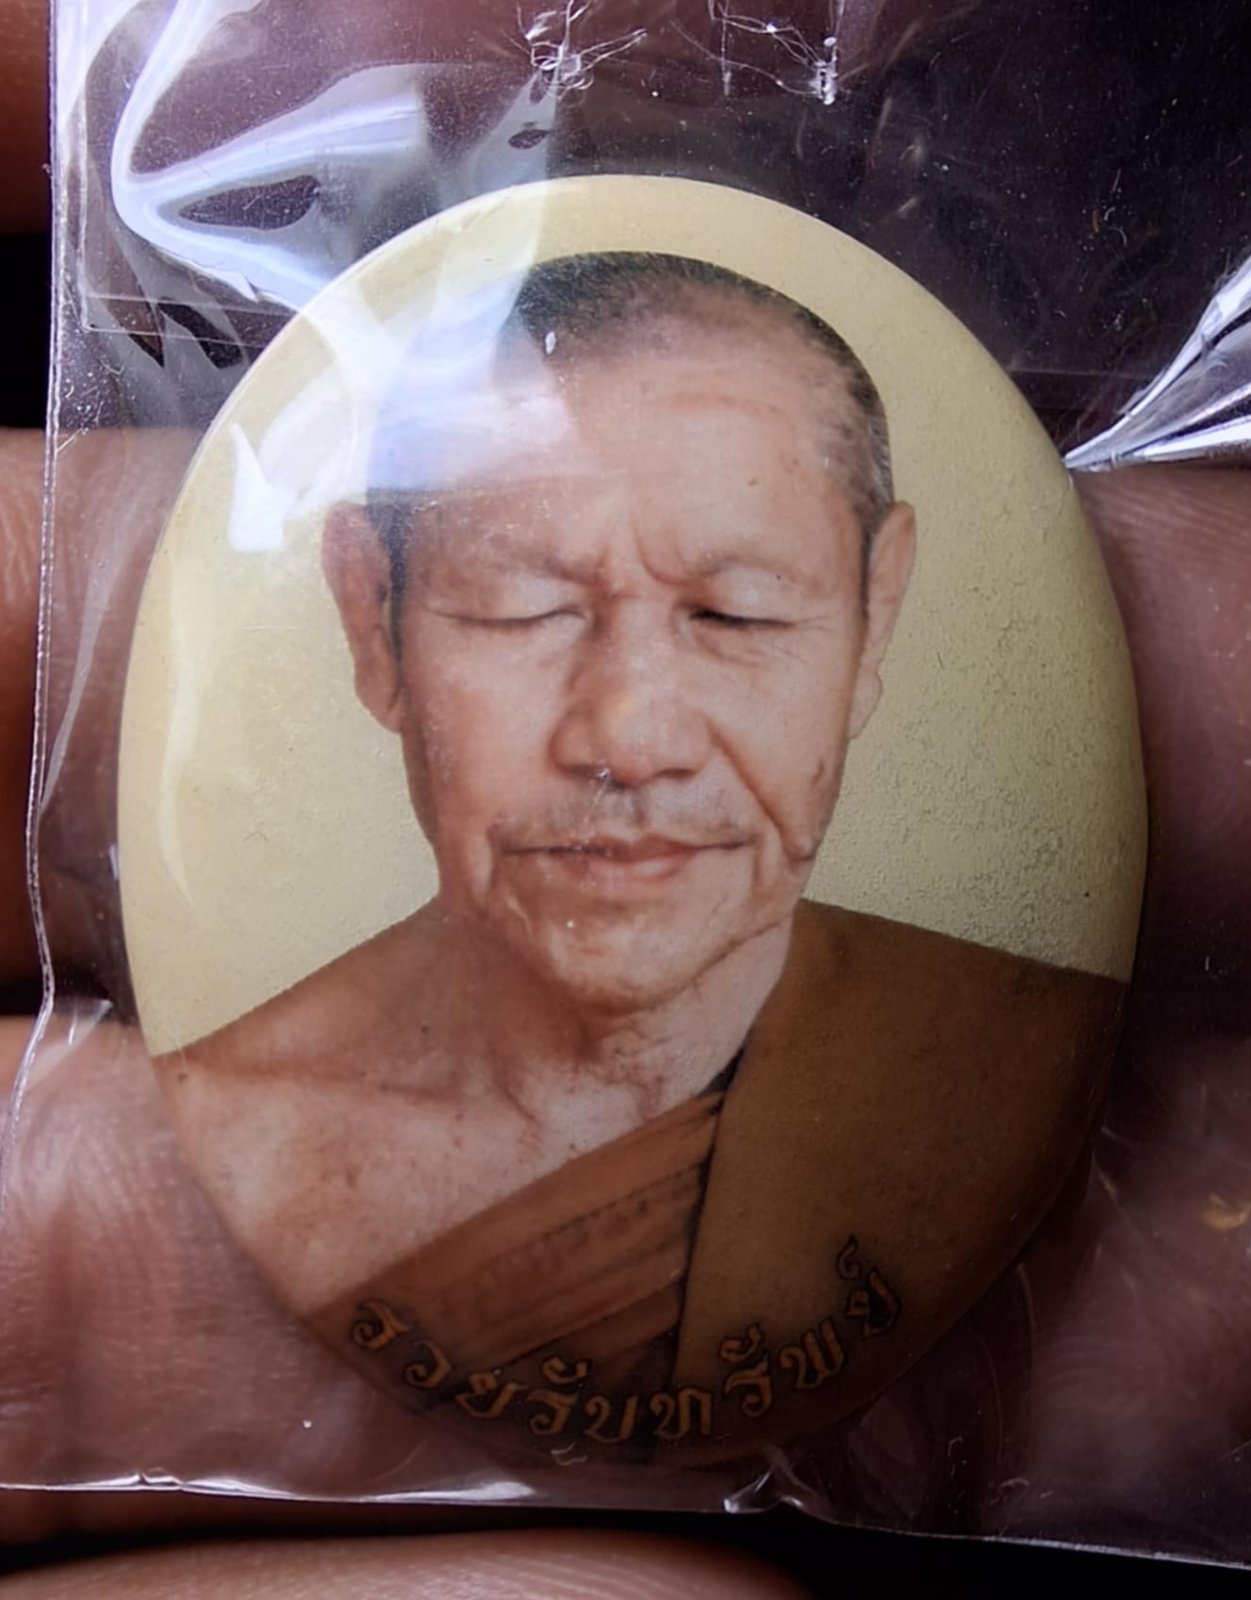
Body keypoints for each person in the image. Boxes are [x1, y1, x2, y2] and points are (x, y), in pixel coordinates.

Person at [146, 253, 1123, 1459]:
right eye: (522, 607)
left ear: (875, 614)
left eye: (737, 613)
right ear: (372, 619)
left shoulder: (1019, 1066)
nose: (631, 737)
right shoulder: (236, 1131)